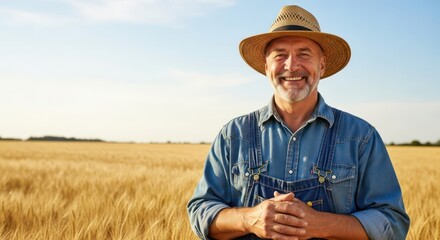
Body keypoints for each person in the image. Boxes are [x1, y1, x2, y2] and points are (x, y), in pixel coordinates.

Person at [187, 5, 410, 240]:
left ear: (321, 65)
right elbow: (200, 212)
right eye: (280, 54)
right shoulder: (233, 135)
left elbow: (392, 223)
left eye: (304, 54)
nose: (291, 66)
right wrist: (250, 219)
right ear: (266, 66)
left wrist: (318, 224)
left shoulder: (360, 137)